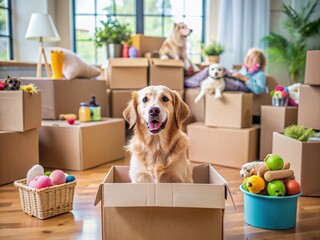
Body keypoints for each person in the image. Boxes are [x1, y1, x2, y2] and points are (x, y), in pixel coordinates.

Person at [185, 48, 267, 95]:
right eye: (248, 57)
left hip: (243, 86)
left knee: (220, 79)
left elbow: (259, 90)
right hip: (236, 80)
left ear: (260, 62)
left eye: (253, 58)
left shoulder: (260, 74)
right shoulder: (244, 69)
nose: (249, 59)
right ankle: (188, 83)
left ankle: (188, 84)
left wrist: (244, 78)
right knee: (211, 69)